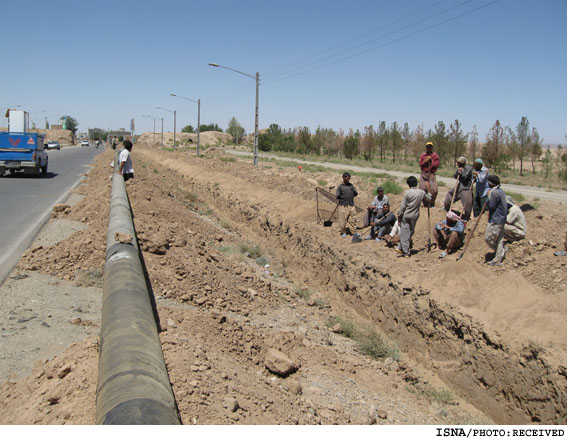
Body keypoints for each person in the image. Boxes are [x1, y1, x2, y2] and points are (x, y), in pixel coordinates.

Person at [396, 176, 431, 257]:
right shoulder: (421, 192)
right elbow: (429, 199)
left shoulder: (407, 193)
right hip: (415, 216)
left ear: (408, 184)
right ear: (416, 183)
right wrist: (428, 189)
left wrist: (399, 215)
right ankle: (400, 247)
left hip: (406, 215)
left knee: (405, 233)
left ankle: (405, 252)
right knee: (410, 232)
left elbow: (403, 207)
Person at [484, 175, 507, 266]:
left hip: (496, 219)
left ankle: (501, 251)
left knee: (488, 238)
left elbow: (492, 206)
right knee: (499, 239)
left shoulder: (494, 193)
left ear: (491, 183)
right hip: (502, 218)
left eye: (488, 182)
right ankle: (498, 258)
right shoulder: (501, 191)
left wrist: (488, 197)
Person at [444, 156, 473, 221]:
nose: (458, 165)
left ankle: (467, 217)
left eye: (459, 163)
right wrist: (457, 172)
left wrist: (461, 172)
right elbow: (454, 176)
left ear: (463, 163)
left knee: (467, 203)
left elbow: (465, 177)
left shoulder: (469, 168)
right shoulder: (459, 168)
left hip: (466, 188)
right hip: (459, 186)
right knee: (450, 194)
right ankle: (446, 208)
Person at [336, 172, 358, 237]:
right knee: (343, 219)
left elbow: (356, 193)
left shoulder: (351, 186)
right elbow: (337, 195)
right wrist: (343, 197)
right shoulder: (340, 187)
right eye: (347, 178)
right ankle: (343, 232)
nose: (348, 180)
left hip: (351, 204)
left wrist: (351, 196)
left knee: (353, 218)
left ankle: (353, 232)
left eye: (349, 178)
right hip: (343, 205)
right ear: (343, 178)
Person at [419, 142, 440, 207]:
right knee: (423, 190)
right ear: (426, 147)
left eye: (430, 146)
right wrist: (425, 161)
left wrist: (431, 160)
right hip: (424, 174)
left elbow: (436, 165)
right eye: (428, 146)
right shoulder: (423, 155)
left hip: (431, 174)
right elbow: (420, 164)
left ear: (432, 147)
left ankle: (432, 202)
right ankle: (425, 204)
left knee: (434, 190)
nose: (429, 148)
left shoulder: (435, 155)